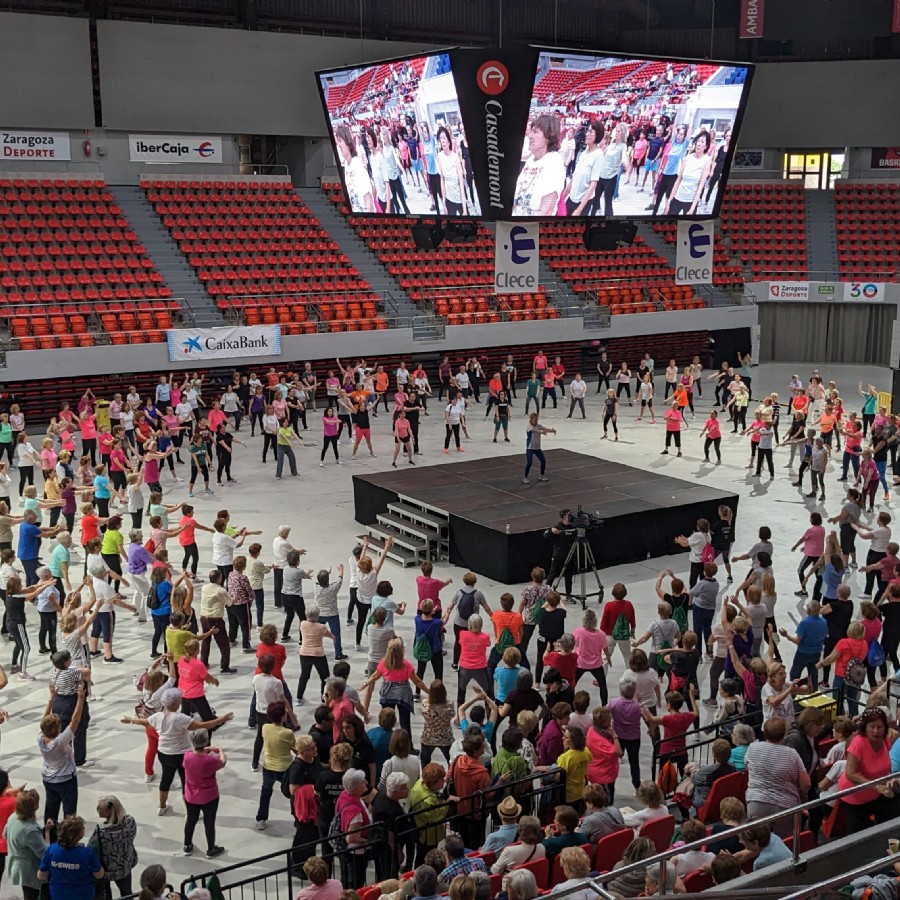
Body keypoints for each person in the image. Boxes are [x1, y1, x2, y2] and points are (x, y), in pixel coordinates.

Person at [121, 687, 233, 817]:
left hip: (163, 752)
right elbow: (204, 725)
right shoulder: (181, 718)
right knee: (186, 781)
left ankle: (162, 807)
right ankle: (189, 811)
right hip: (181, 754)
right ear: (175, 703)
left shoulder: (157, 717)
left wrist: (130, 720)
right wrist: (222, 719)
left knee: (166, 779)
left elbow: (144, 722)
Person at [745, 717, 810, 836]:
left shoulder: (753, 747)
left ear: (765, 731)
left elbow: (747, 767)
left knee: (757, 840)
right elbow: (806, 784)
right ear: (784, 733)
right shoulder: (792, 754)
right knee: (783, 842)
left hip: (756, 802)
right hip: (785, 807)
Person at [37, 815, 104, 899]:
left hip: (58, 894)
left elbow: (41, 875)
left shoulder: (52, 850)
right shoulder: (87, 853)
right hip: (83, 895)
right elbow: (99, 875)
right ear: (79, 835)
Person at [3, 788, 50, 900]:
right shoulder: (30, 830)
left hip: (17, 865)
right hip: (30, 871)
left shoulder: (13, 817)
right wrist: (47, 833)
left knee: (27, 894)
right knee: (32, 895)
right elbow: (45, 854)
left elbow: (5, 835)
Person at [89, 796, 138, 896]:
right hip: (125, 866)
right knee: (127, 893)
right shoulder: (130, 824)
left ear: (108, 812)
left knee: (106, 894)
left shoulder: (101, 832)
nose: (97, 811)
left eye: (100, 809)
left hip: (106, 870)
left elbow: (91, 848)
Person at [523, 415, 556, 485]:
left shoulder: (539, 425)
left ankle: (541, 475)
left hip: (537, 448)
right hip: (530, 448)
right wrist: (542, 432)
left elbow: (545, 429)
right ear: (531, 419)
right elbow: (535, 431)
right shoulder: (529, 427)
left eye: (537, 419)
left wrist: (552, 431)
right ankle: (525, 477)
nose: (536, 421)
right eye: (535, 419)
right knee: (529, 463)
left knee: (543, 461)